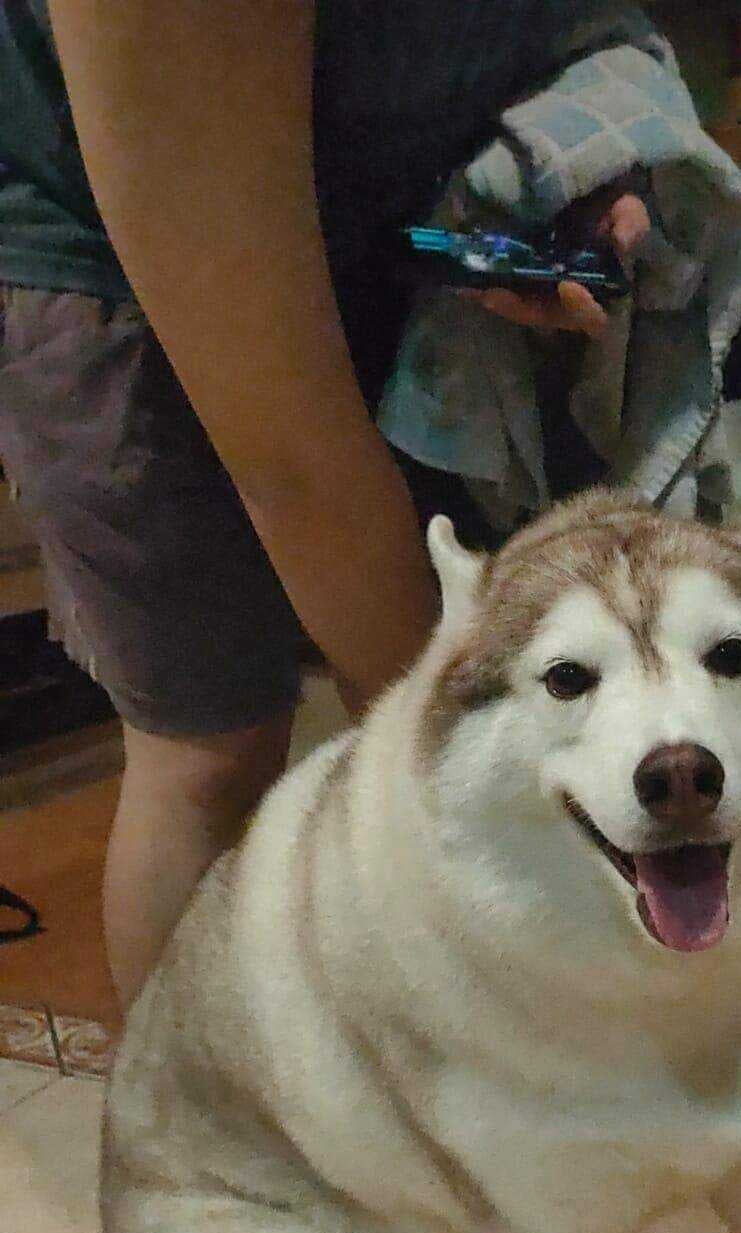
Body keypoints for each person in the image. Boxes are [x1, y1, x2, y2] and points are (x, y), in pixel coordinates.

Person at [0, 1, 649, 1009]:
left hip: (369, 236)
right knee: (208, 747)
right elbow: (295, 470)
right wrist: (475, 758)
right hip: (123, 273)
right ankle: (187, 1151)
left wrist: (567, 165)